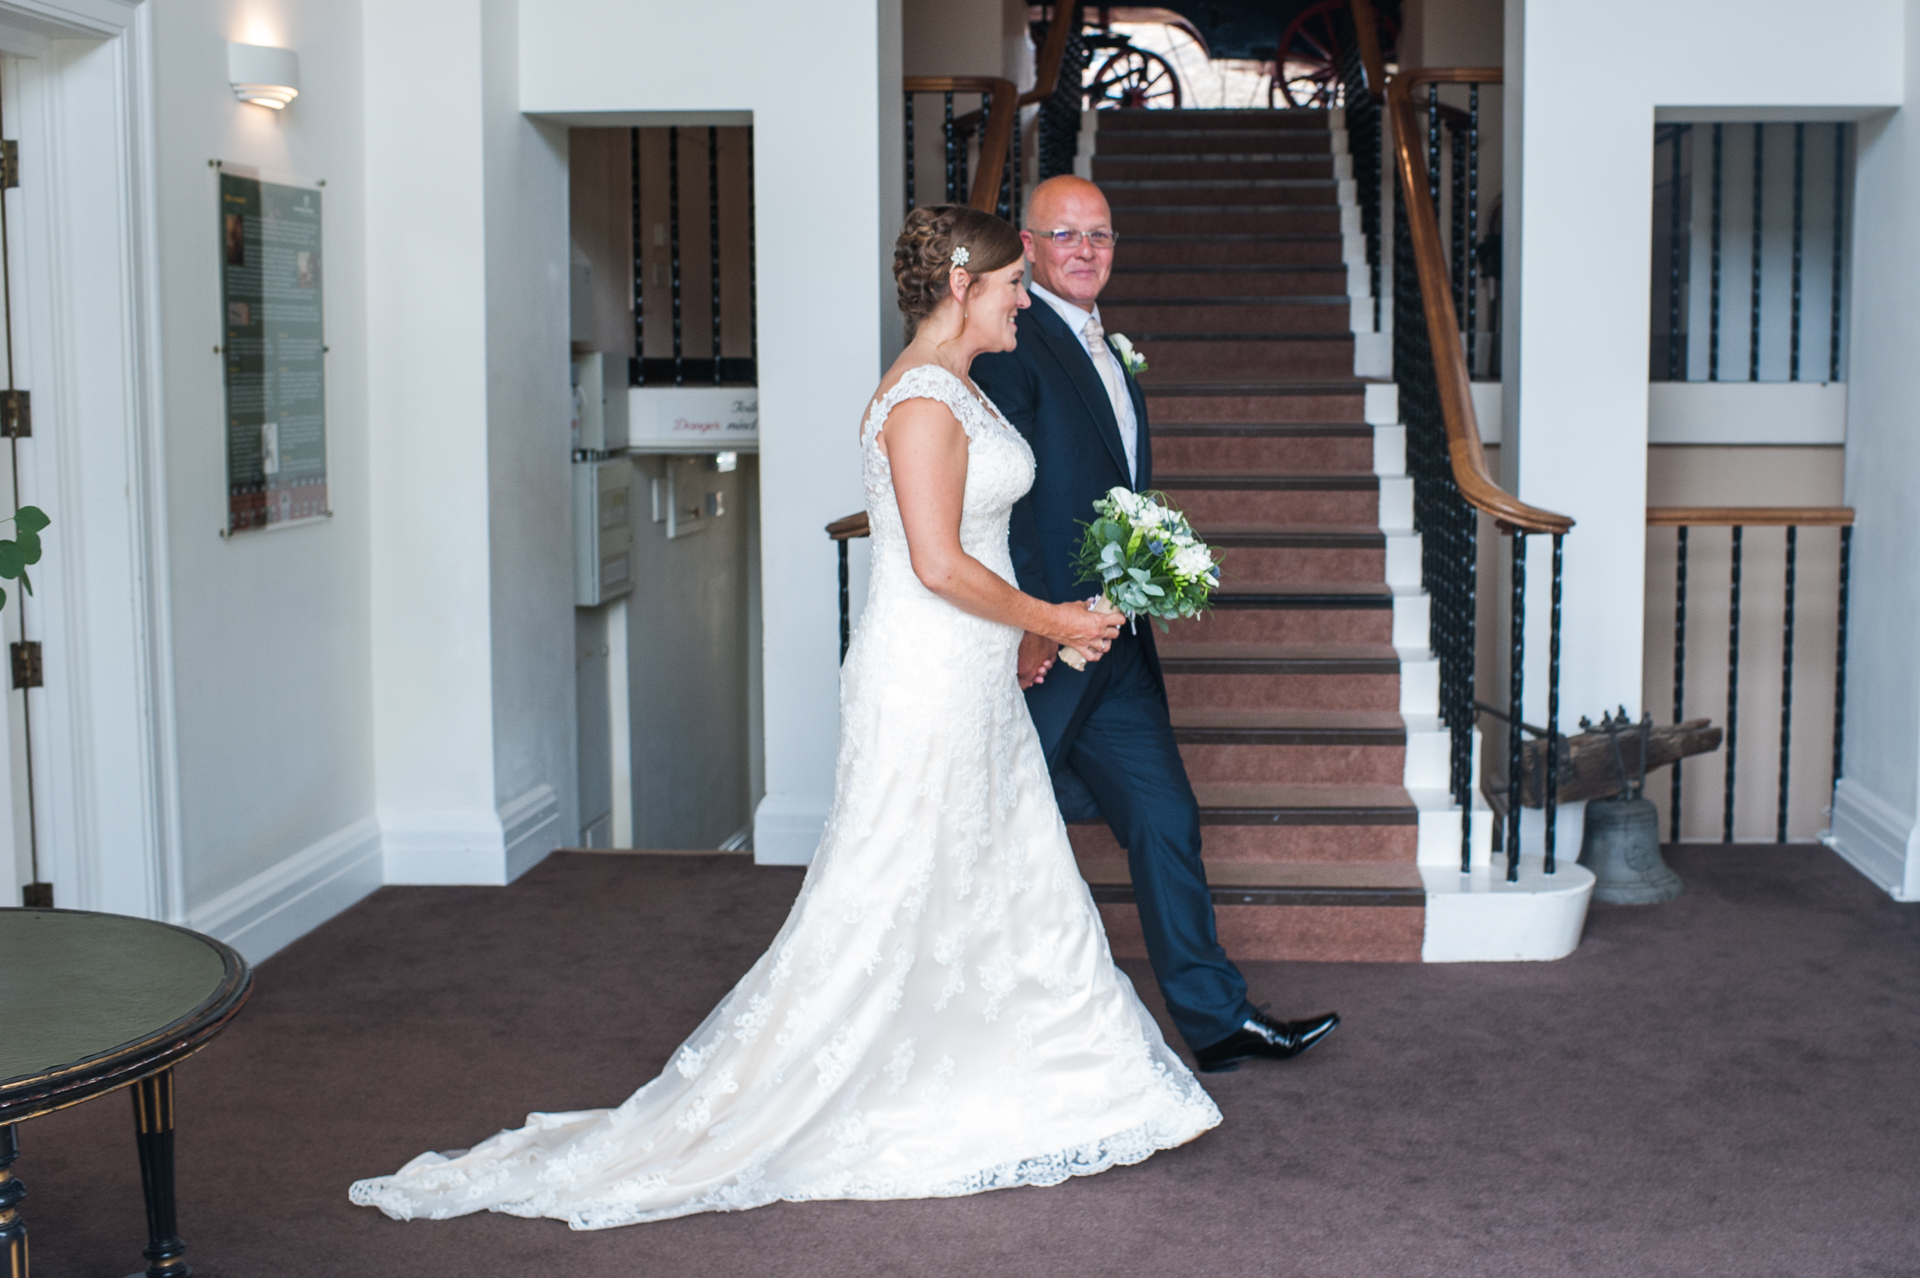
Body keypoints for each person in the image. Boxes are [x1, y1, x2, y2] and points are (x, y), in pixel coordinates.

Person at [348, 206, 1222, 1231]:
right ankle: (868, 1082)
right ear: (960, 286)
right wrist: (1051, 618)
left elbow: (968, 546)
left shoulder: (962, 392)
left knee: (994, 865)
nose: (1025, 301)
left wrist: (1024, 637)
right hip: (925, 677)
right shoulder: (923, 404)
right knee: (896, 878)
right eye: (1009, 286)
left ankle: (1051, 1073)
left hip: (970, 672)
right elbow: (937, 566)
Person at [971, 176, 1340, 1074]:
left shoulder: (1105, 342)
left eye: (1102, 234)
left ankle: (1216, 1021)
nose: (1088, 250)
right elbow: (1011, 495)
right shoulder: (1012, 344)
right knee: (991, 822)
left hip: (1118, 638)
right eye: (1067, 235)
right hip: (1053, 634)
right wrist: (1034, 624)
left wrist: (1144, 577)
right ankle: (973, 1026)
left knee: (1165, 814)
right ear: (1027, 246)